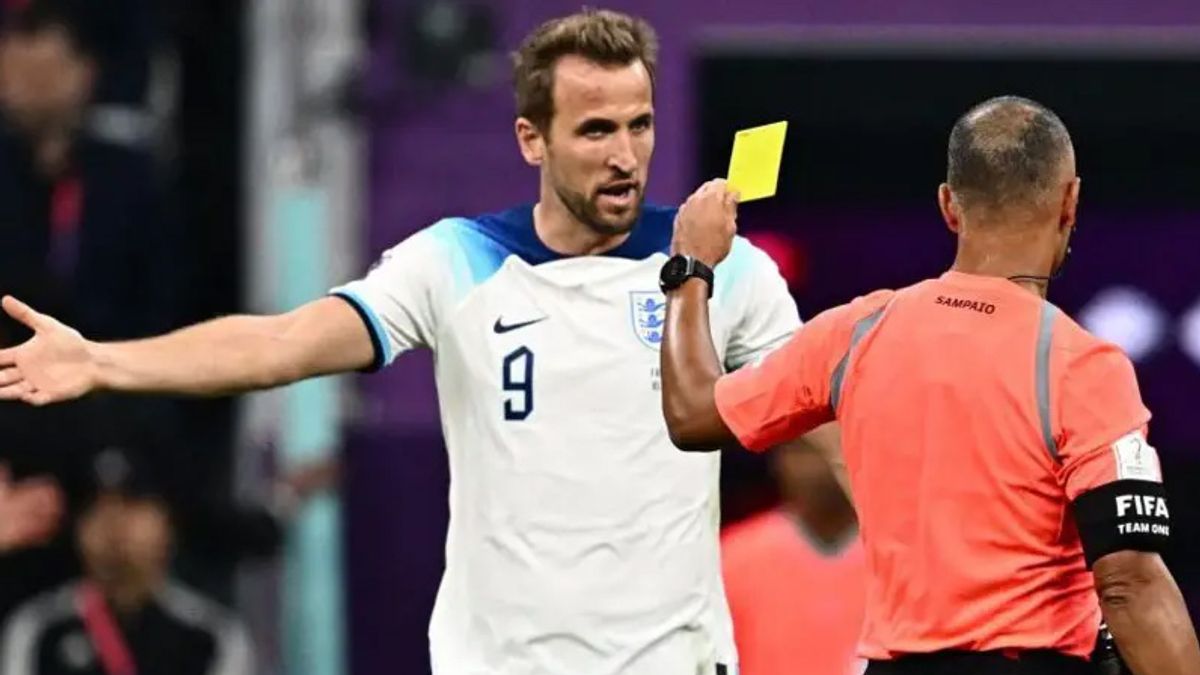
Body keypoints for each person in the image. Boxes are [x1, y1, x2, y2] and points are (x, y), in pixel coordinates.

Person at [0, 9, 837, 674]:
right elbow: (284, 342)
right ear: (532, 139)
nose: (626, 156)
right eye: (595, 131)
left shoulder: (724, 268)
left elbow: (831, 425)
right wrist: (101, 360)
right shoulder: (455, 260)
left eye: (640, 125)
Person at [658, 96, 1200, 675]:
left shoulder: (856, 334)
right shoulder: (1084, 366)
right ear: (1070, 202)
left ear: (948, 205)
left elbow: (691, 414)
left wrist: (692, 267)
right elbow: (1129, 583)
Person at [0, 447, 253, 675]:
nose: (115, 528)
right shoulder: (39, 629)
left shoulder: (211, 638)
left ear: (165, 522)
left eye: (132, 507)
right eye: (99, 510)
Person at [721, 435, 865, 675]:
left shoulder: (899, 560)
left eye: (829, 448)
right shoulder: (731, 560)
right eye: (800, 450)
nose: (815, 466)